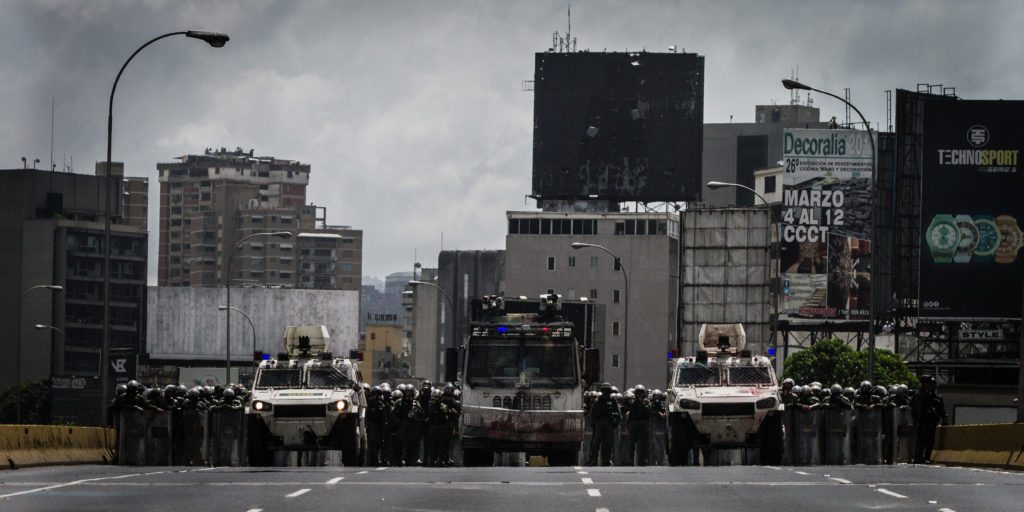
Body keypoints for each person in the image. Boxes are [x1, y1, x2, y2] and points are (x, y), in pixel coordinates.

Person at [911, 375, 947, 463]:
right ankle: (918, 457)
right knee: (921, 440)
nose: (932, 386)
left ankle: (926, 457)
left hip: (931, 422)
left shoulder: (934, 396)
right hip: (923, 421)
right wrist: (919, 420)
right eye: (930, 383)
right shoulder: (920, 395)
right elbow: (918, 409)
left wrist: (943, 416)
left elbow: (941, 409)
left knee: (930, 441)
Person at [586, 382, 621, 466]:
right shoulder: (598, 400)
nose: (606, 392)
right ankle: (594, 459)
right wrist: (593, 423)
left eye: (607, 390)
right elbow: (592, 413)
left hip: (609, 423)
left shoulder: (612, 400)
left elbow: (618, 414)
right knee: (596, 443)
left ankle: (606, 460)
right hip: (599, 423)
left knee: (608, 443)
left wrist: (615, 422)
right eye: (604, 390)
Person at [626, 385, 660, 466]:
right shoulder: (634, 402)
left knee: (644, 443)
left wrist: (642, 403)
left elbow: (649, 411)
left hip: (643, 424)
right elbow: (630, 413)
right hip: (634, 424)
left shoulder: (646, 401)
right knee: (631, 443)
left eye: (641, 392)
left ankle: (644, 459)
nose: (639, 394)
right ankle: (630, 460)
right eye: (638, 392)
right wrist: (628, 424)